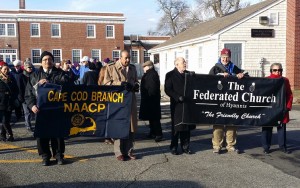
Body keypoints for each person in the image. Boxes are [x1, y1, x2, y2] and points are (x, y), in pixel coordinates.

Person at [25, 51, 70, 166]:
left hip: (56, 109)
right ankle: (45, 156)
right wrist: (32, 105)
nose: (47, 61)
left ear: (53, 61)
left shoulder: (60, 73)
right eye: (45, 60)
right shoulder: (34, 76)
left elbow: (67, 86)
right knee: (42, 134)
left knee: (58, 134)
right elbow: (28, 94)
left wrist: (52, 83)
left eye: (49, 59)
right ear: (41, 62)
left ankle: (59, 155)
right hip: (41, 110)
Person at [103, 50, 139, 161]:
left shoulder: (132, 68)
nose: (128, 60)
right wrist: (120, 84)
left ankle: (129, 151)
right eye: (126, 58)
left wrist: (136, 86)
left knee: (131, 126)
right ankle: (119, 152)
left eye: (129, 58)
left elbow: (136, 81)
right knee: (119, 125)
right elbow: (106, 83)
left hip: (130, 101)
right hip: (117, 102)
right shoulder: (111, 67)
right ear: (120, 57)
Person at [209, 48, 247, 154]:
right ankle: (217, 145)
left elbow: (244, 76)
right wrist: (219, 76)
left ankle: (231, 145)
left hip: (232, 100)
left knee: (232, 123)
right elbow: (208, 80)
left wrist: (241, 75)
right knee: (218, 123)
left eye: (227, 57)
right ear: (220, 57)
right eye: (223, 57)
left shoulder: (233, 67)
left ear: (230, 57)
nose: (225, 59)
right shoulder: (215, 68)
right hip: (219, 100)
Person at [164, 57, 195, 155]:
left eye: (185, 62)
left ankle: (185, 147)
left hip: (188, 104)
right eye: (183, 62)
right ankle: (174, 147)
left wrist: (195, 77)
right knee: (176, 127)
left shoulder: (189, 74)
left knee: (186, 126)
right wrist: (177, 97)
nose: (185, 63)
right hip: (177, 104)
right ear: (177, 65)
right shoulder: (170, 75)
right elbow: (168, 89)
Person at [261, 63, 293, 154]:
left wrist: (288, 106)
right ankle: (266, 147)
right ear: (271, 71)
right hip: (269, 109)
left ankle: (283, 147)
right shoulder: (266, 80)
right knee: (267, 128)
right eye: (275, 70)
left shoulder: (285, 80)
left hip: (281, 108)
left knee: (281, 128)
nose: (277, 72)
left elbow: (289, 94)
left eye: (279, 70)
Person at [139, 60, 163, 142]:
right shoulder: (150, 74)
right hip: (150, 99)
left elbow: (152, 87)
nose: (143, 68)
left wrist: (149, 96)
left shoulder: (151, 74)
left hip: (151, 99)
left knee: (155, 118)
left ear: (149, 66)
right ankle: (153, 132)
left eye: (144, 67)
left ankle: (158, 134)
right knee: (151, 118)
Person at [0, 62, 19, 142]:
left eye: (7, 69)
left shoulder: (12, 78)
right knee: (4, 120)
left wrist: (14, 97)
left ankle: (2, 135)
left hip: (9, 102)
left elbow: (16, 89)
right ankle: (10, 135)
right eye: (5, 69)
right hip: (1, 102)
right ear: (1, 70)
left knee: (6, 120)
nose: (6, 71)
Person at [98, 57, 114, 145]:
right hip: (107, 97)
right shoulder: (107, 71)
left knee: (105, 117)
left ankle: (106, 136)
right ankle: (107, 137)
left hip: (103, 96)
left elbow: (99, 82)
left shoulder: (103, 70)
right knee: (109, 117)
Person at [21, 60, 35, 132]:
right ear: (25, 68)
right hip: (24, 97)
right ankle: (28, 125)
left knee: (32, 113)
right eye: (29, 67)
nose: (31, 68)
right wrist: (22, 98)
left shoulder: (33, 75)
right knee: (27, 113)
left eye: (32, 67)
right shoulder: (22, 76)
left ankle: (29, 124)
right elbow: (20, 88)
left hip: (32, 96)